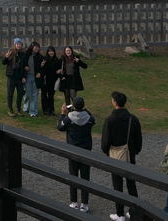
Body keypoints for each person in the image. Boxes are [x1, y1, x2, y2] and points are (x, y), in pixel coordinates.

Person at [100, 91, 143, 221]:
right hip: (129, 154)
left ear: (115, 102)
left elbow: (105, 141)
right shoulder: (133, 119)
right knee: (131, 184)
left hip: (115, 155)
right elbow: (138, 139)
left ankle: (120, 213)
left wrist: (106, 151)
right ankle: (133, 211)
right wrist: (135, 151)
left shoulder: (110, 120)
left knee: (117, 185)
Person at [58, 96, 95, 212]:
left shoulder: (69, 119)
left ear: (73, 106)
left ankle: (74, 202)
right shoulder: (89, 119)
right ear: (83, 106)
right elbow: (93, 120)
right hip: (85, 151)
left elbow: (60, 127)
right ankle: (84, 203)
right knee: (85, 177)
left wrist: (62, 114)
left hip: (73, 151)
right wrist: (85, 110)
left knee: (73, 176)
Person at [1, 38, 26, 117]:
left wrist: (24, 76)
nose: (18, 45)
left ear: (21, 45)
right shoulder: (11, 53)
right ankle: (10, 109)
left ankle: (18, 109)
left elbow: (24, 66)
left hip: (19, 77)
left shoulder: (23, 54)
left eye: (20, 44)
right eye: (17, 44)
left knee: (20, 94)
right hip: (11, 77)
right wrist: (6, 57)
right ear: (15, 45)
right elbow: (4, 63)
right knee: (10, 94)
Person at [40, 45, 62, 116]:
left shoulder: (56, 60)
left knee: (51, 95)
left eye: (52, 51)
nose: (51, 53)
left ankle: (51, 110)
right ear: (47, 52)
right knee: (44, 95)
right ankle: (45, 109)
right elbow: (41, 68)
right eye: (49, 51)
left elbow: (59, 69)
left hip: (53, 80)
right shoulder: (44, 59)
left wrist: (60, 72)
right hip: (45, 80)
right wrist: (42, 65)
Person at [23, 41, 43, 116]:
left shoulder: (40, 57)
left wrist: (40, 72)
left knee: (34, 94)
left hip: (36, 77)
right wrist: (25, 67)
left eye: (38, 47)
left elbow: (43, 68)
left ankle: (33, 111)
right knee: (28, 93)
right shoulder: (26, 55)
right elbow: (22, 64)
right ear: (32, 47)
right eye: (35, 47)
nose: (37, 48)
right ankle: (26, 107)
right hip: (28, 76)